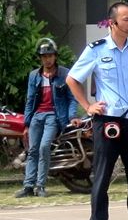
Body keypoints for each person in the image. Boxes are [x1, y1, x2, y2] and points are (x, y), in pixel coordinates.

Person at [66, 2, 128, 220]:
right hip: (107, 122)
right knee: (102, 177)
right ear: (112, 22)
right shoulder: (96, 50)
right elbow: (72, 79)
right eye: (126, 19)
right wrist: (87, 106)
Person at [15, 39, 81, 198]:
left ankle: (41, 186)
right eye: (44, 56)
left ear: (55, 56)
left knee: (44, 147)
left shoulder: (64, 74)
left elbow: (72, 98)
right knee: (32, 150)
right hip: (37, 116)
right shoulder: (34, 75)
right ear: (40, 58)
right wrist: (26, 124)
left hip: (54, 116)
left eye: (50, 56)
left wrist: (72, 116)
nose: (47, 59)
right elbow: (30, 100)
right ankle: (28, 186)